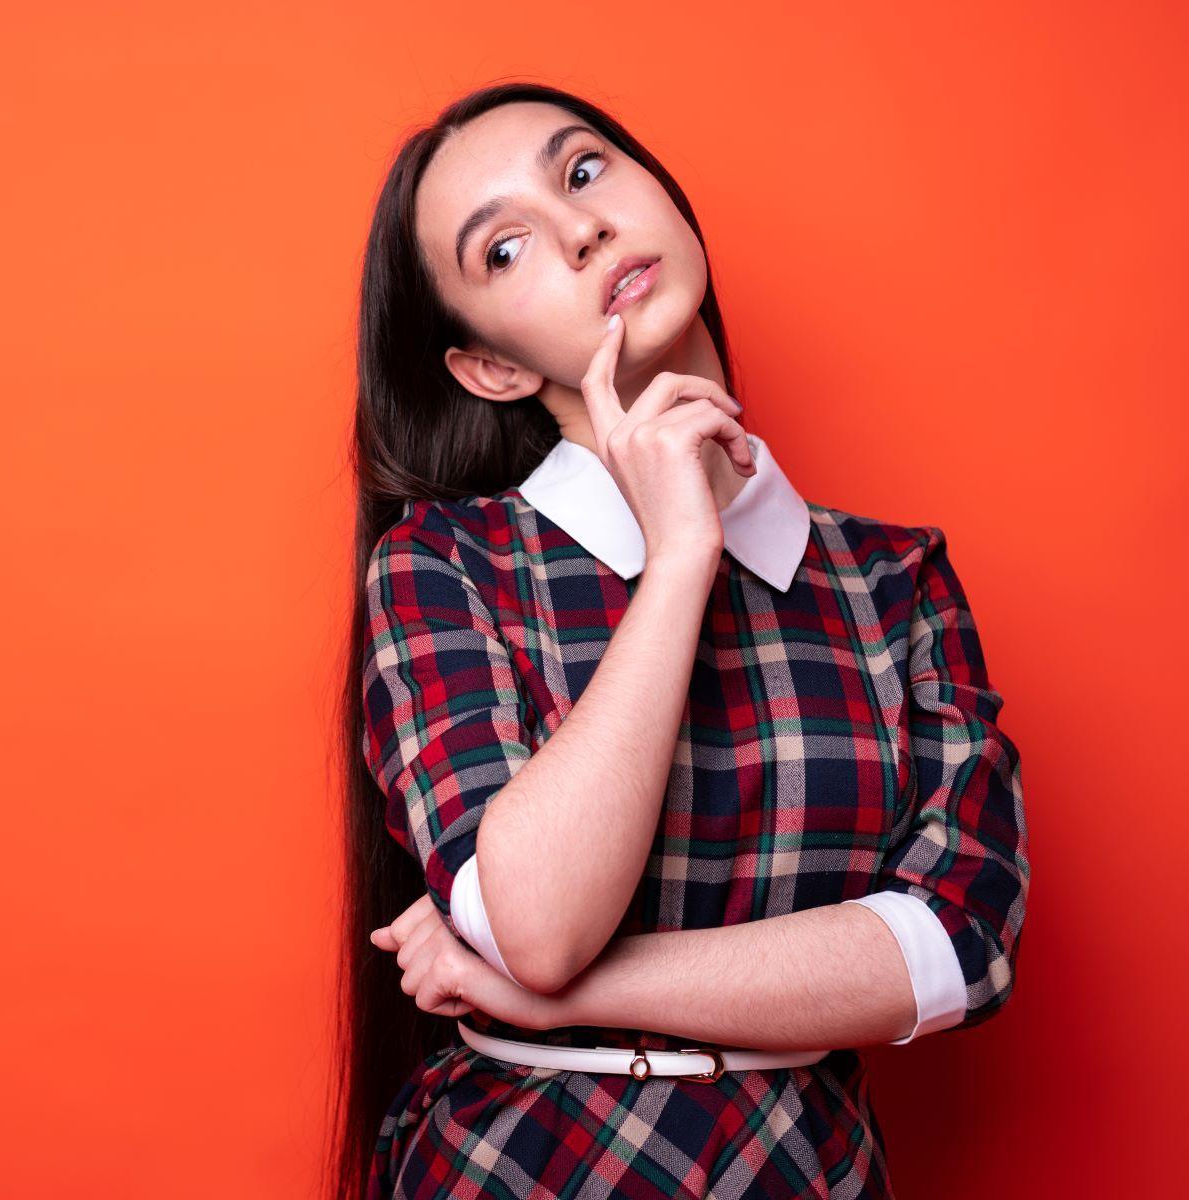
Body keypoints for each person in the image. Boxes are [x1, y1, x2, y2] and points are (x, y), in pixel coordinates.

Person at [328, 81, 1030, 1199]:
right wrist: (679, 558)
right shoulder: (445, 565)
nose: (579, 228)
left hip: (804, 1171)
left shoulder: (893, 581)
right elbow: (541, 925)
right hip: (519, 1167)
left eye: (583, 171)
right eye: (504, 249)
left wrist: (564, 994)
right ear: (492, 368)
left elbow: (956, 950)